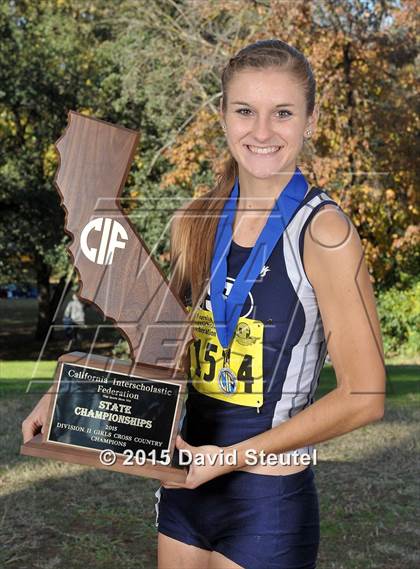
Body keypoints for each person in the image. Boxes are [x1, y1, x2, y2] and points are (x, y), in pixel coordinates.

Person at [155, 39, 386, 569]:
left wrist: (230, 459)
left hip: (266, 502)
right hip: (186, 486)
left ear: (309, 118)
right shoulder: (198, 220)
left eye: (282, 113)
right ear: (222, 116)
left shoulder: (325, 231)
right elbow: (160, 350)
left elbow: (365, 396)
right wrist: (69, 407)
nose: (261, 132)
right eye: (245, 111)